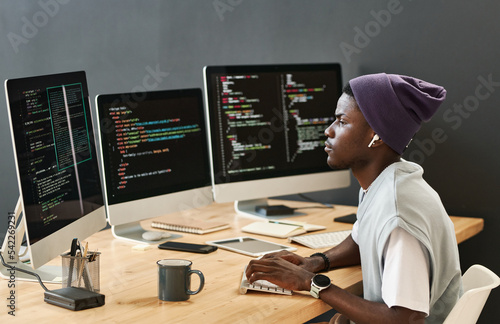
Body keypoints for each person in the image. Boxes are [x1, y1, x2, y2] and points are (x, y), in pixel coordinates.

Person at [245, 73, 463, 324]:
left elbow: (404, 319)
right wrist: (315, 262)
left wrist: (309, 283)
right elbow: (361, 239)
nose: (328, 130)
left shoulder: (398, 216)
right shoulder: (388, 182)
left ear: (377, 135)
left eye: (342, 121)